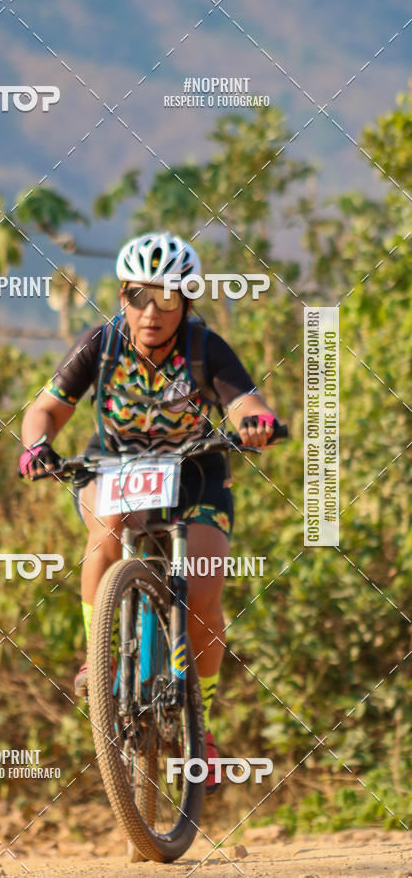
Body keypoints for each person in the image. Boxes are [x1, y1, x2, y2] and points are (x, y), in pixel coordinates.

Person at [19, 232, 284, 794]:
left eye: (167, 298)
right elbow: (44, 409)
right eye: (139, 296)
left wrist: (256, 424)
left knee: (206, 589)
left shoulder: (204, 347)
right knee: (105, 531)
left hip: (195, 473)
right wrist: (37, 446)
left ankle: (202, 729)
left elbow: (245, 402)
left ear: (186, 301)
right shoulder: (102, 344)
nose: (151, 312)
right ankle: (101, 662)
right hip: (115, 468)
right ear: (122, 297)